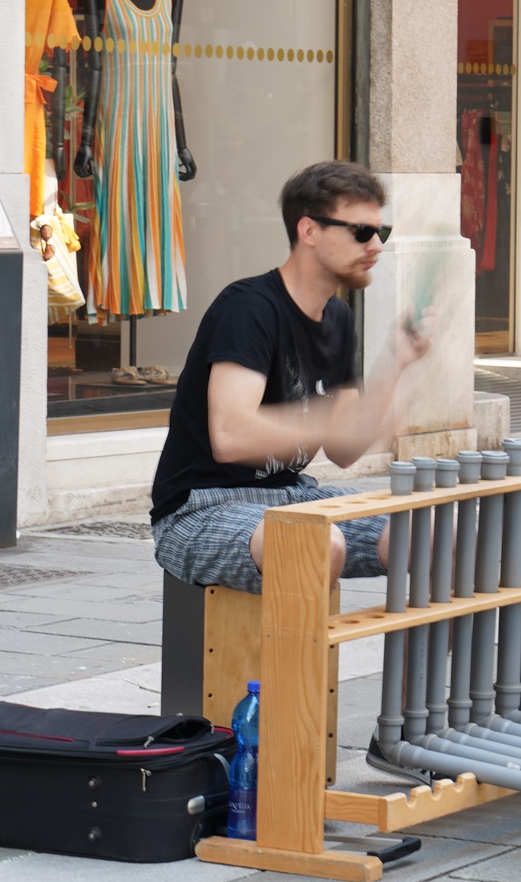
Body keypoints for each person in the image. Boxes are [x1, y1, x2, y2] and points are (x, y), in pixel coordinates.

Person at [149, 161, 432, 595]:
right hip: (201, 508)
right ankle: (296, 644)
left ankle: (430, 647)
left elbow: (343, 451)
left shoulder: (338, 317)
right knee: (315, 543)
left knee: (431, 537)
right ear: (309, 231)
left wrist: (395, 363)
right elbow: (231, 436)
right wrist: (324, 422)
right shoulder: (247, 308)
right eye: (362, 232)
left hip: (294, 496)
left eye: (382, 232)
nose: (376, 245)